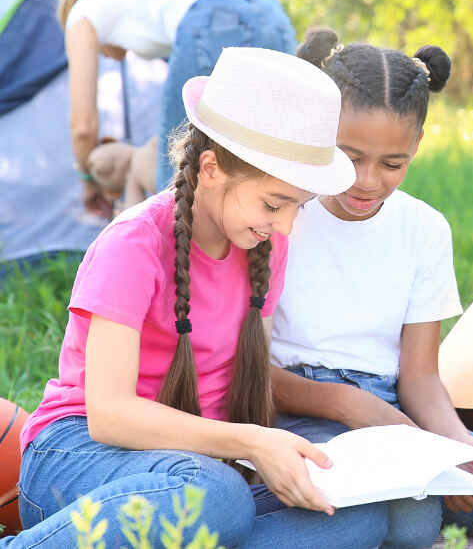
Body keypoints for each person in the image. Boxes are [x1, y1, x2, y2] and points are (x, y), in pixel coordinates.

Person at [8, 48, 387, 549]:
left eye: (298, 207)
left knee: (359, 515)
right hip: (82, 453)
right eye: (275, 204)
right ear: (210, 168)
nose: (287, 225)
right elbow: (109, 414)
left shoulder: (265, 246)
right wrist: (252, 442)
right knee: (218, 498)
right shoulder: (134, 244)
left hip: (201, 465)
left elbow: (239, 382)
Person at [269, 28, 473, 548]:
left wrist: (456, 444)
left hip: (392, 409)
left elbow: (419, 376)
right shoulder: (281, 211)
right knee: (411, 523)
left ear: (417, 146)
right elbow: (245, 368)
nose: (368, 180)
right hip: (295, 407)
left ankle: (406, 496)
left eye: (392, 164)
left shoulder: (423, 228)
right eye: (349, 156)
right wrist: (345, 407)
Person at [57, 0, 297, 210]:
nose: (108, 57)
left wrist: (87, 179)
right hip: (273, 16)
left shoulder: (82, 12)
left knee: (177, 180)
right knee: (259, 164)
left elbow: (83, 127)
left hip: (213, 18)